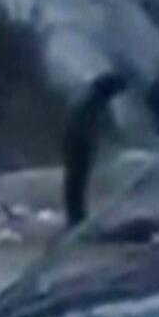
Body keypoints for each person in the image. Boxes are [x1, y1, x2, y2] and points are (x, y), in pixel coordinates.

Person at [60, 69, 129, 230]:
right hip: (78, 143)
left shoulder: (90, 96)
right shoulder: (93, 100)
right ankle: (75, 216)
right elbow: (87, 125)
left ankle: (76, 215)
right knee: (76, 179)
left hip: (75, 141)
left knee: (75, 180)